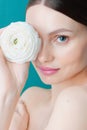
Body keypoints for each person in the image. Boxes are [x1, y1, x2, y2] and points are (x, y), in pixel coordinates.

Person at [0, 0, 87, 130]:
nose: (42, 57)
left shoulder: (77, 101)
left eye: (61, 38)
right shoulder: (31, 99)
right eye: (35, 37)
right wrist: (9, 93)